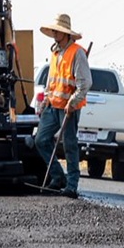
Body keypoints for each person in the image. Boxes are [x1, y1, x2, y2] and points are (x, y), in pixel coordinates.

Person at [34, 14, 91, 199]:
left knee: (69, 145)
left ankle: (72, 185)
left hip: (69, 107)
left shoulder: (77, 52)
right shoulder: (55, 52)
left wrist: (73, 102)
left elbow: (85, 83)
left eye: (58, 31)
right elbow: (52, 82)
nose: (55, 33)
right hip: (53, 105)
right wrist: (44, 102)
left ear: (66, 33)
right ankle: (58, 177)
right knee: (41, 140)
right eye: (54, 30)